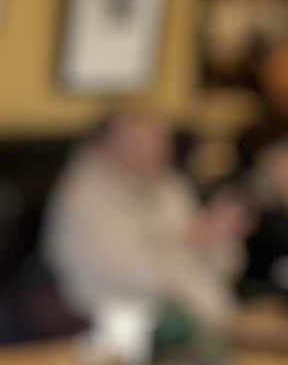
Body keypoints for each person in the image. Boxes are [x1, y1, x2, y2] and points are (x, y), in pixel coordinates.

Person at [44, 106, 252, 326]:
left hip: (209, 315)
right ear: (109, 148)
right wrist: (192, 239)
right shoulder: (83, 198)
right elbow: (135, 277)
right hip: (123, 323)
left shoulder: (169, 185)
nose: (162, 153)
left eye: (161, 143)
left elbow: (228, 268)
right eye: (142, 145)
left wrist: (220, 235)